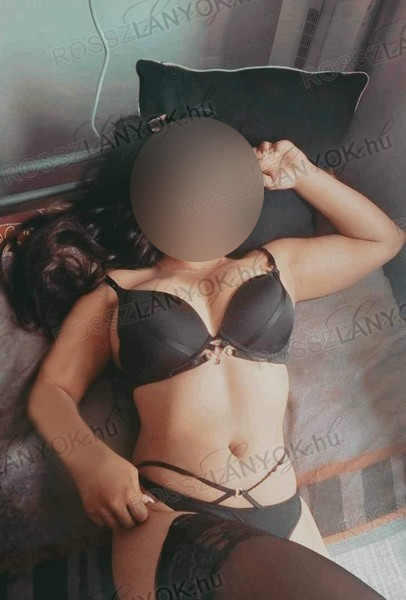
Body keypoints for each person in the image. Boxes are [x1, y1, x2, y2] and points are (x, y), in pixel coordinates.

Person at [2, 114, 402, 599]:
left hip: (283, 509)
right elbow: (52, 392)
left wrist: (302, 173)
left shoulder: (278, 264)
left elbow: (383, 239)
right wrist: (90, 464)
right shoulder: (117, 292)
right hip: (171, 512)